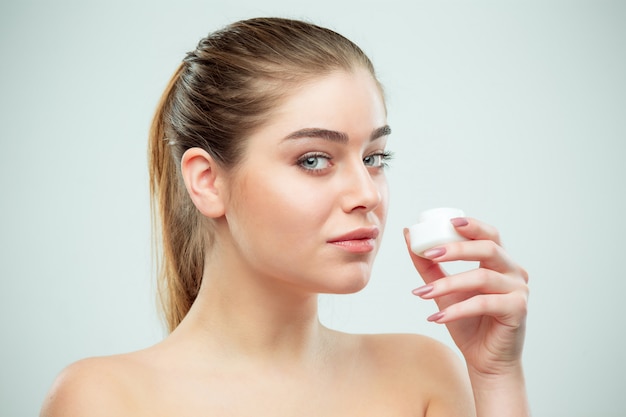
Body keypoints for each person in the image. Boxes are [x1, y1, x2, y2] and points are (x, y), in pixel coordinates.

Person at [40, 17, 529, 416]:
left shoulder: (425, 374)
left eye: (375, 158)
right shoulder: (105, 399)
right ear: (207, 181)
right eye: (313, 159)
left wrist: (496, 378)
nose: (366, 194)